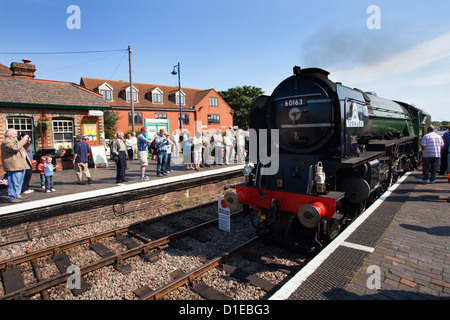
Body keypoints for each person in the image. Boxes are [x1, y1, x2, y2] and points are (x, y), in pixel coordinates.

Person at [1, 129, 32, 203]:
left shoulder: (15, 141)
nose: (16, 135)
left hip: (20, 164)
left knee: (19, 181)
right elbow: (15, 148)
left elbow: (23, 148)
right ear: (9, 135)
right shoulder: (6, 142)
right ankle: (12, 197)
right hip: (14, 165)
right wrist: (23, 140)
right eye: (15, 134)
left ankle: (17, 195)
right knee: (14, 182)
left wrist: (27, 141)